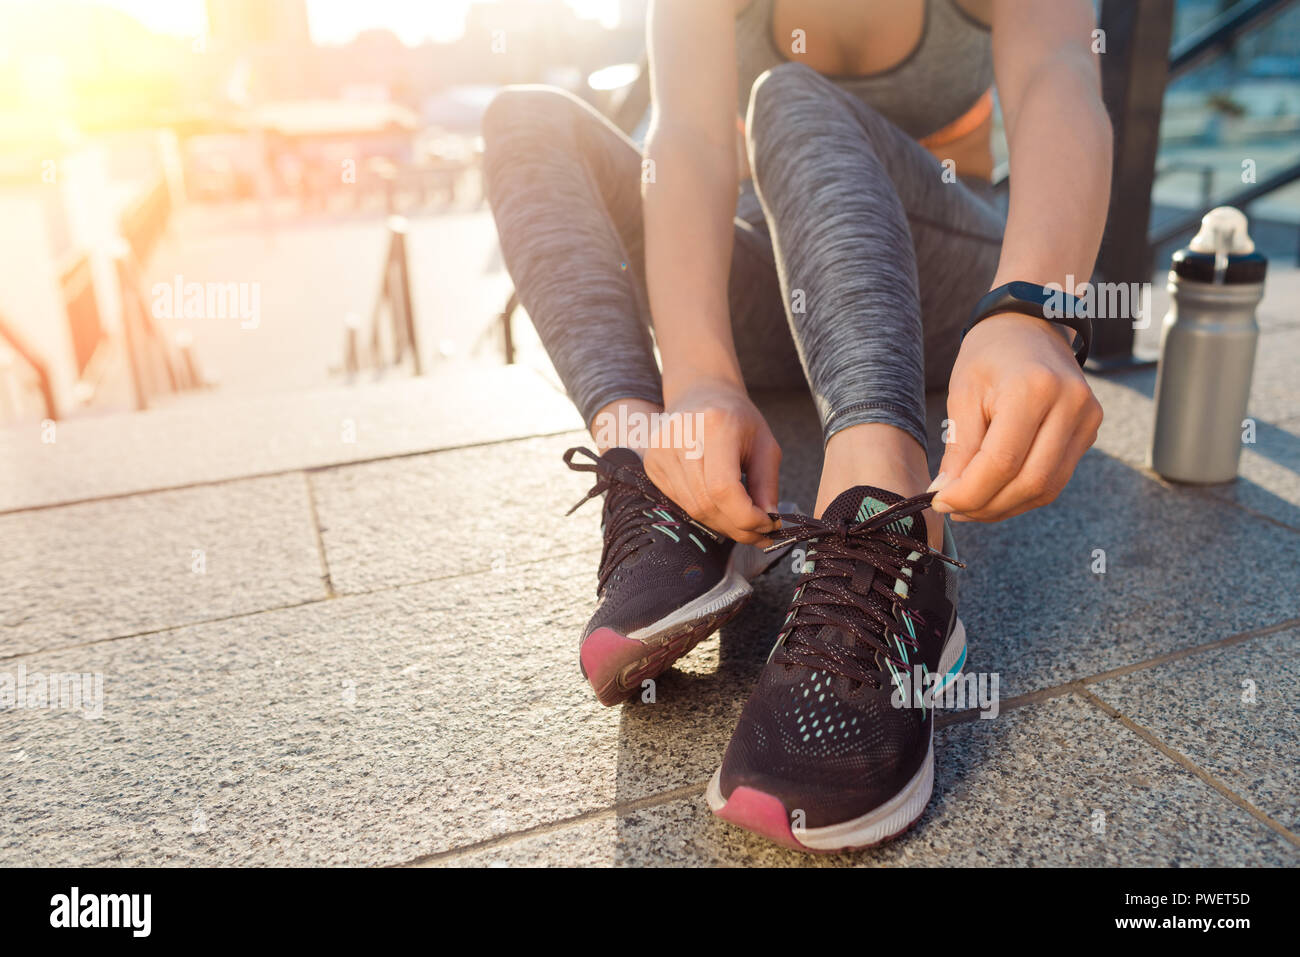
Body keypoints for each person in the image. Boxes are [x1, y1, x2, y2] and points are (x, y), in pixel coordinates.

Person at [482, 0, 1108, 852]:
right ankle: (653, 470)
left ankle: (885, 510)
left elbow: (1056, 71)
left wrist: (1035, 308)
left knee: (788, 95)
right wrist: (699, 380)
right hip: (786, 280)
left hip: (950, 291)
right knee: (526, 121)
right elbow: (692, 139)